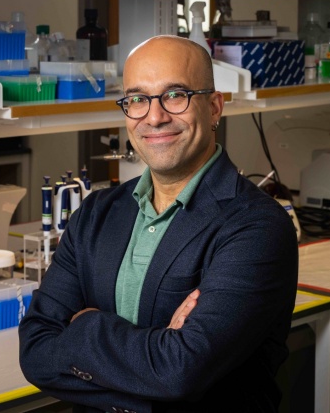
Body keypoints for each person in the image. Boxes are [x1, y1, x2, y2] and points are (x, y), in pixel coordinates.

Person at [19, 35, 299, 413]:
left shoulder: (257, 227)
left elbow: (181, 370)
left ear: (215, 107)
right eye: (137, 99)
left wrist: (84, 327)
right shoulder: (97, 212)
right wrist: (157, 369)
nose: (154, 117)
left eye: (176, 94)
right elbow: (35, 350)